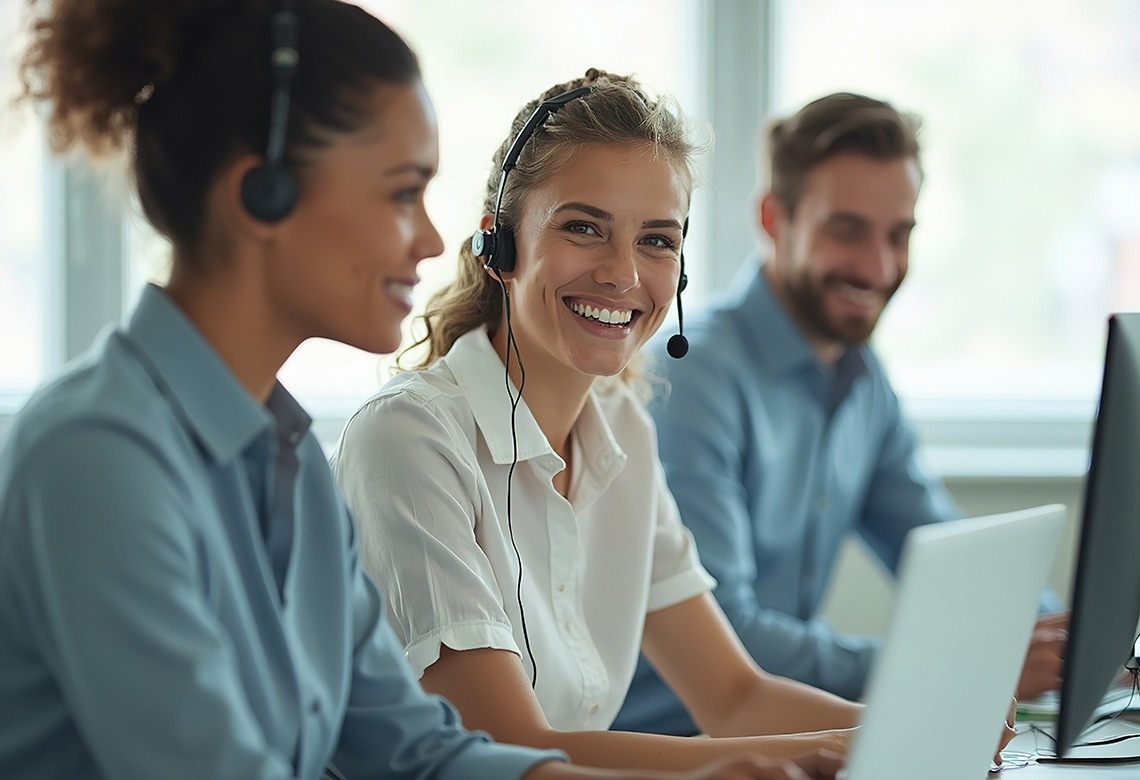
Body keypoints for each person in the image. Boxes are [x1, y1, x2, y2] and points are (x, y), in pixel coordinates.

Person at [0, 3, 845, 779]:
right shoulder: (99, 458)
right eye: (403, 192)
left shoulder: (279, 459)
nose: (438, 236)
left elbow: (416, 748)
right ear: (263, 194)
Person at [331, 69, 936, 775]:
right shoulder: (409, 437)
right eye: (584, 228)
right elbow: (503, 748)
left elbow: (734, 696)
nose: (623, 273)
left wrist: (925, 725)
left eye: (656, 240)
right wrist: (833, 752)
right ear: (500, 244)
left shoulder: (623, 424)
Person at [613, 91, 1069, 738]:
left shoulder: (862, 378)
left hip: (787, 742)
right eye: (847, 229)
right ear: (774, 218)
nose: (879, 267)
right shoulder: (693, 375)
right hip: (671, 750)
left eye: (898, 235)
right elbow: (732, 634)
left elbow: (939, 549)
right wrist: (960, 664)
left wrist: (1055, 634)